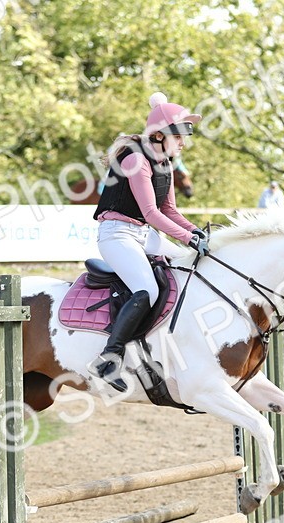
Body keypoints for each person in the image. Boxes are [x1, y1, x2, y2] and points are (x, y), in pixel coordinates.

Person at [91, 91, 208, 391]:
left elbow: (170, 210)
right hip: (117, 234)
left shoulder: (165, 163)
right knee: (147, 290)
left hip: (143, 235)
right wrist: (187, 238)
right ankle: (108, 358)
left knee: (189, 266)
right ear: (158, 135)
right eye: (178, 137)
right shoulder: (136, 160)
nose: (183, 143)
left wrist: (195, 232)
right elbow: (151, 213)